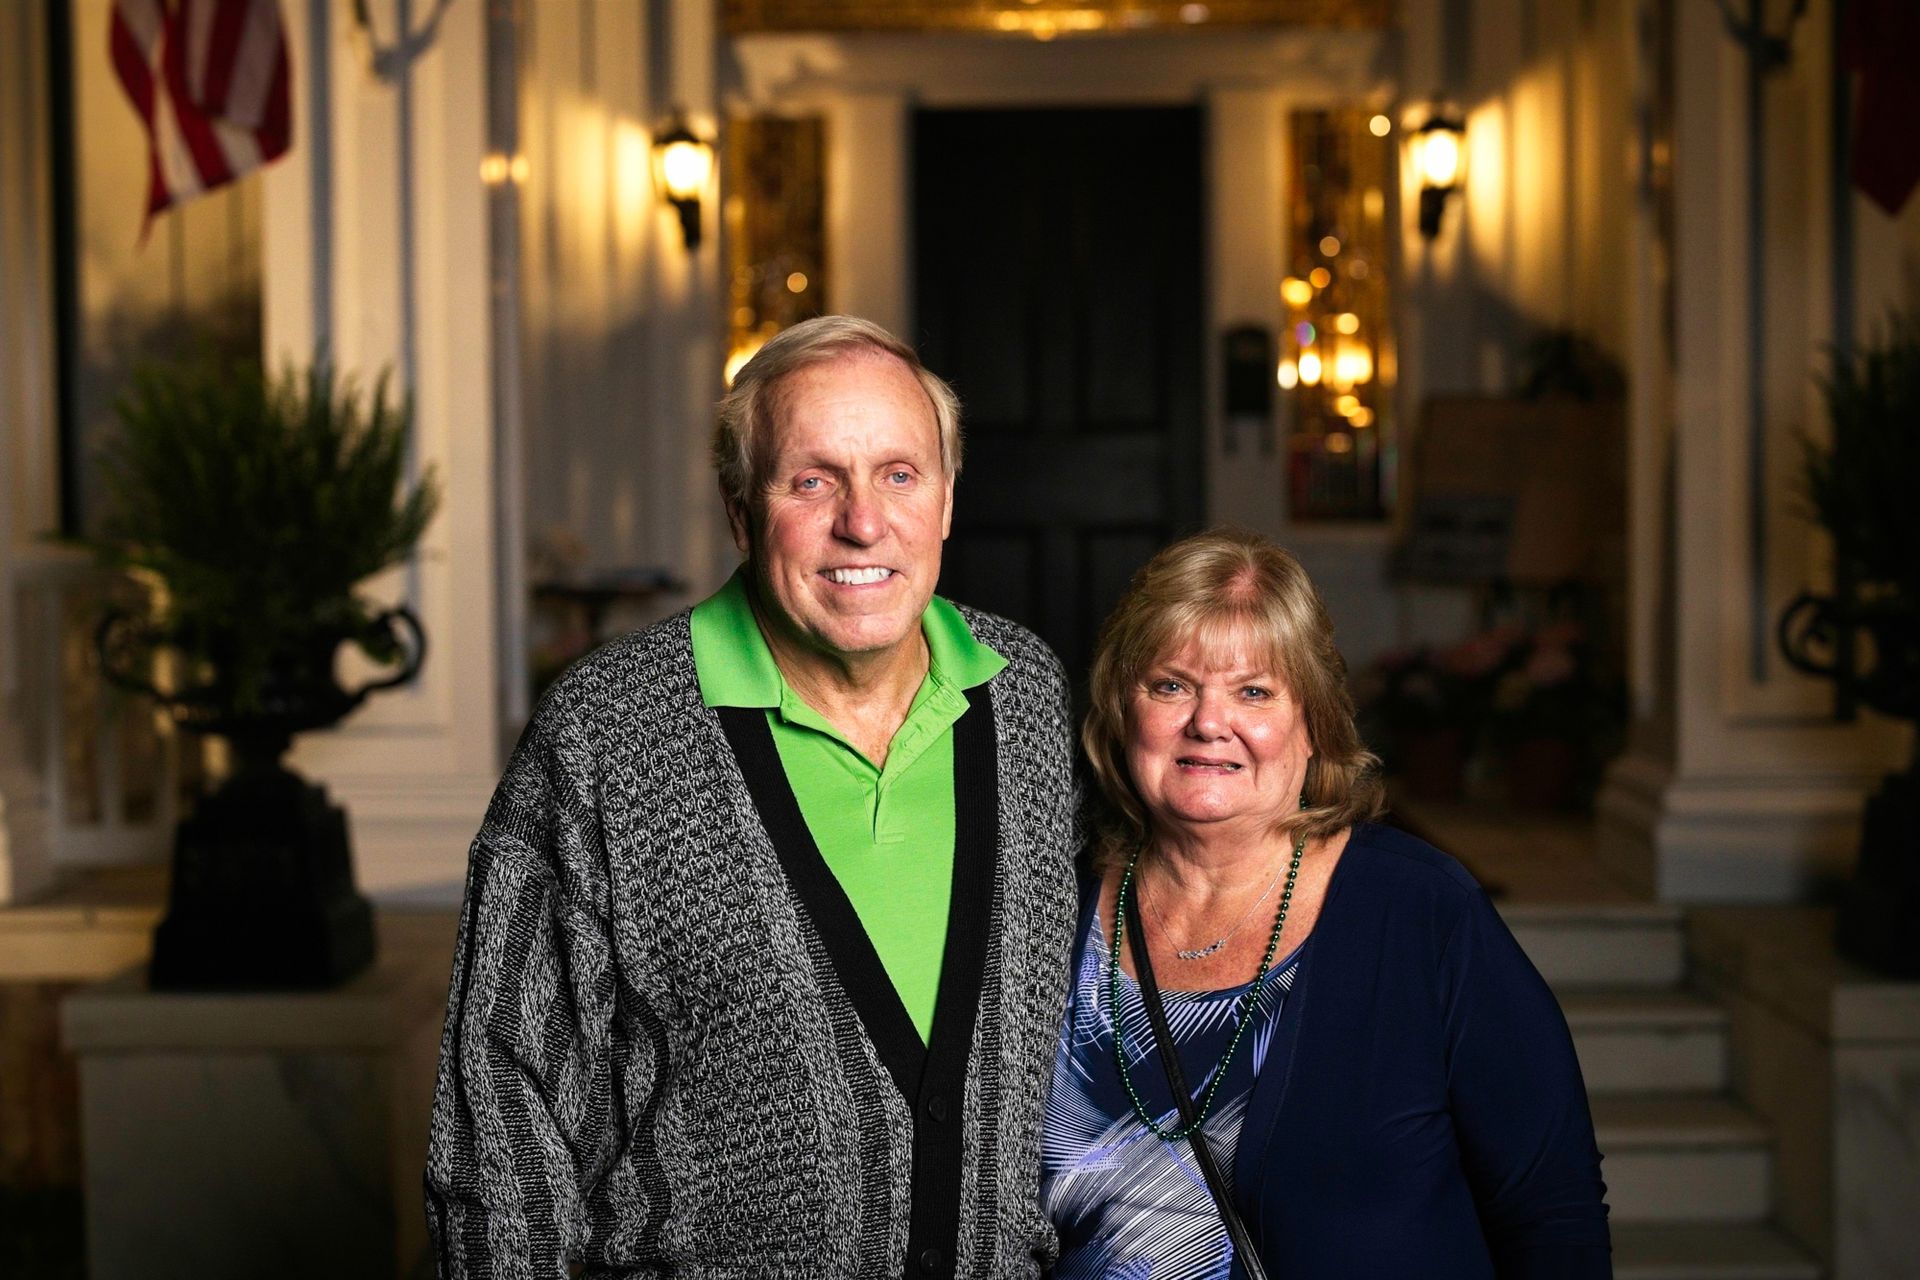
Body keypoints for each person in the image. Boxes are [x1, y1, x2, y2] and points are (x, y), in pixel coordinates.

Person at [426, 316, 1081, 1277]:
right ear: (740, 514)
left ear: (945, 501)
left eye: (900, 474)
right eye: (812, 481)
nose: (864, 521)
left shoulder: (1021, 693)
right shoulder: (609, 731)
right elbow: (500, 1105)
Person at [1041, 528, 1610, 1279]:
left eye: (1253, 691)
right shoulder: (1051, 913)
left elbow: (1553, 1216)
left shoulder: (1421, 914)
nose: (1209, 723)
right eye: (1171, 684)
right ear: (1121, 710)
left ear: (1311, 723)